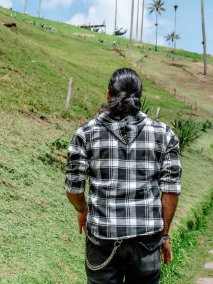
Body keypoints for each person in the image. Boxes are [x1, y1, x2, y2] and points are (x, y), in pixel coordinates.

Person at [65, 68, 181, 284]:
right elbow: (170, 192)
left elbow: (73, 189)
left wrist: (82, 210)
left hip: (102, 239)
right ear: (139, 97)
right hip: (147, 240)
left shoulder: (85, 134)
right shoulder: (165, 135)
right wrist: (164, 236)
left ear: (108, 94)